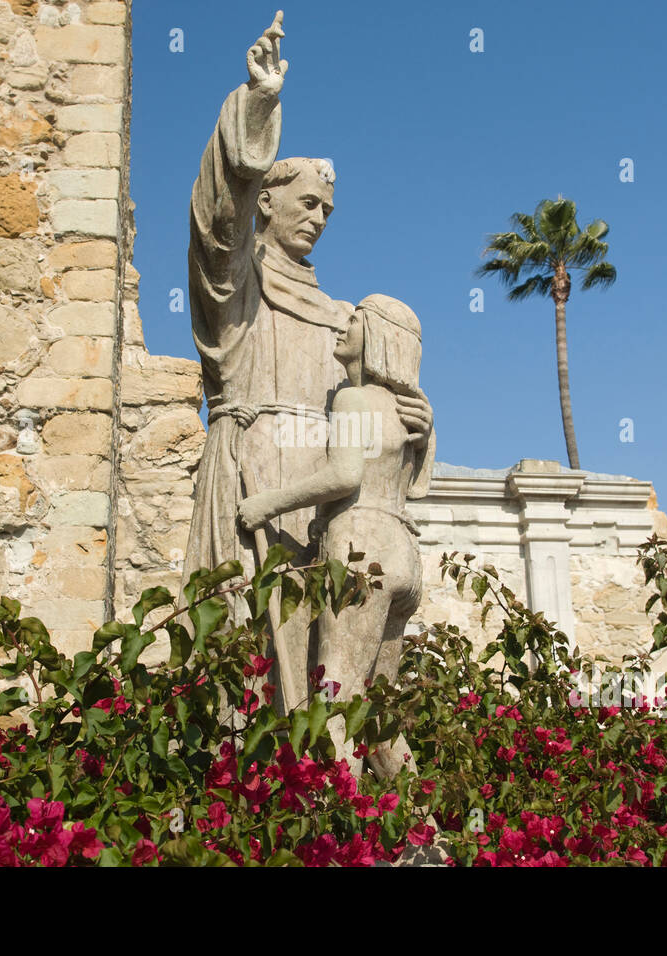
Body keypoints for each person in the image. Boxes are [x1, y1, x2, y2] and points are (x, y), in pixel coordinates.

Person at [184, 12, 431, 712]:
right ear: (267, 199)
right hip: (253, 474)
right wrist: (258, 106)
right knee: (246, 662)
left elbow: (371, 433)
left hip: (322, 503)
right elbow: (216, 228)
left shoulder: (344, 316)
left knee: (323, 673)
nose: (320, 218)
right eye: (308, 202)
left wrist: (417, 422)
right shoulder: (240, 286)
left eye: (328, 209)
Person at [239, 295, 425, 777]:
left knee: (334, 692)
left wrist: (269, 503)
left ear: (378, 337)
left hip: (360, 545)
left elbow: (345, 475)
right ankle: (422, 818)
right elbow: (417, 487)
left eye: (355, 320)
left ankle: (332, 811)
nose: (343, 327)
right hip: (403, 551)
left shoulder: (352, 398)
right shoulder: (409, 410)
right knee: (376, 708)